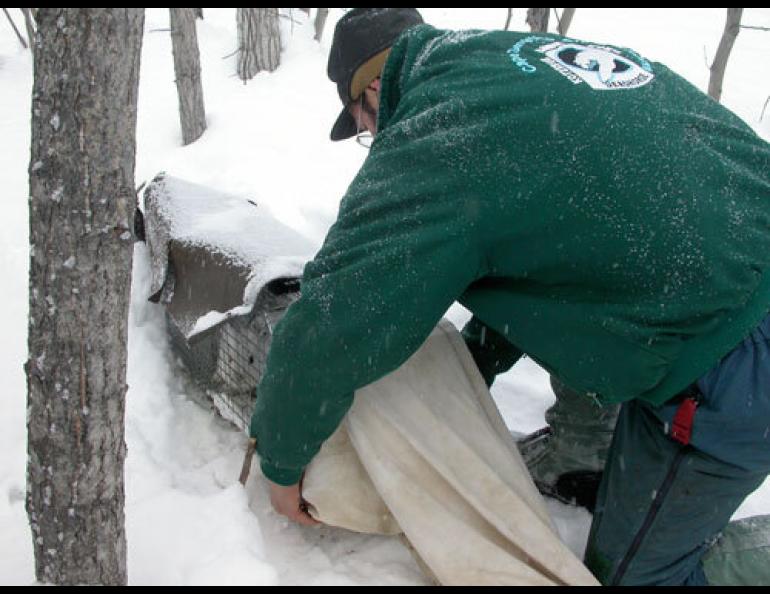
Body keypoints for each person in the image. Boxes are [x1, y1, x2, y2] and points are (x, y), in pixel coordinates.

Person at [250, 8, 770, 585]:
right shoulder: (512, 64)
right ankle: (588, 451)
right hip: (724, 264)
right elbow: (546, 235)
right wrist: (469, 371)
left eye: (365, 126)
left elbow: (333, 321)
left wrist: (281, 460)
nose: (374, 139)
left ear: (374, 87)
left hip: (734, 356)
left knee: (636, 579)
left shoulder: (441, 136)